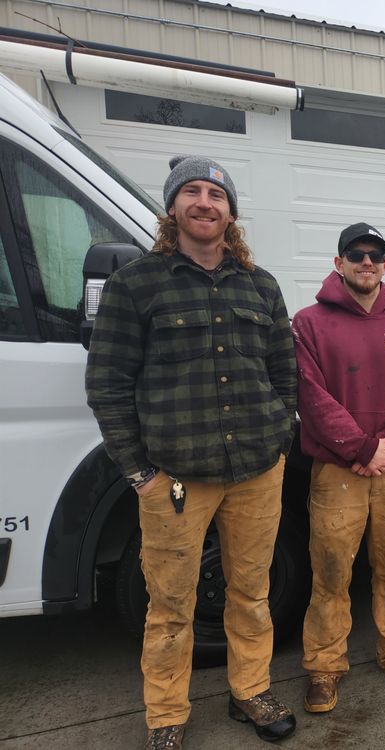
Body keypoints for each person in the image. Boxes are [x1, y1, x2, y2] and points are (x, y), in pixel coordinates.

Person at [85, 156, 298, 749]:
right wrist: (139, 472)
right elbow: (107, 384)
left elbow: (286, 373)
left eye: (216, 194)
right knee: (171, 605)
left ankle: (250, 690)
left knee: (251, 594)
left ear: (231, 214)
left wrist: (281, 435)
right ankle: (167, 716)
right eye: (192, 192)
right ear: (173, 207)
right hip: (174, 480)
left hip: (257, 470)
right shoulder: (136, 285)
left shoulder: (261, 286)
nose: (205, 202)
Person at [293, 222, 385, 712]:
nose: (366, 262)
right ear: (339, 263)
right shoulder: (308, 324)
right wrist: (359, 447)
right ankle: (325, 666)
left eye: (376, 254)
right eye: (356, 254)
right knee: (331, 572)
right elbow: (310, 396)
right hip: (338, 470)